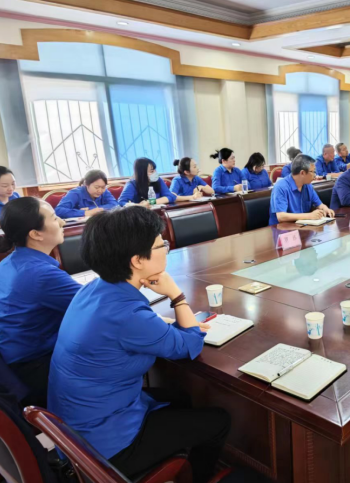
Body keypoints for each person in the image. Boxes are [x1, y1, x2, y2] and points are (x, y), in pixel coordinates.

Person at [48, 207, 231, 483]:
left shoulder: (93, 289)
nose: (166, 249)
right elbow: (188, 345)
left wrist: (164, 325)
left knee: (179, 398)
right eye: (161, 245)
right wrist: (176, 295)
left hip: (74, 425)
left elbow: (128, 329)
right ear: (137, 260)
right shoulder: (127, 314)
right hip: (104, 443)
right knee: (219, 420)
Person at [0, 197, 82, 406]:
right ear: (35, 234)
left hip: (12, 362)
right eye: (54, 218)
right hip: (36, 367)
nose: (62, 222)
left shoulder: (9, 262)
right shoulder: (41, 274)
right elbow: (96, 307)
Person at [269, 154, 334, 225]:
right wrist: (309, 216)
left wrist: (326, 209)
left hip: (302, 226)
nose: (315, 175)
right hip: (282, 228)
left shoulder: (308, 186)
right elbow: (281, 216)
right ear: (302, 173)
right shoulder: (281, 187)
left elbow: (319, 204)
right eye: (313, 172)